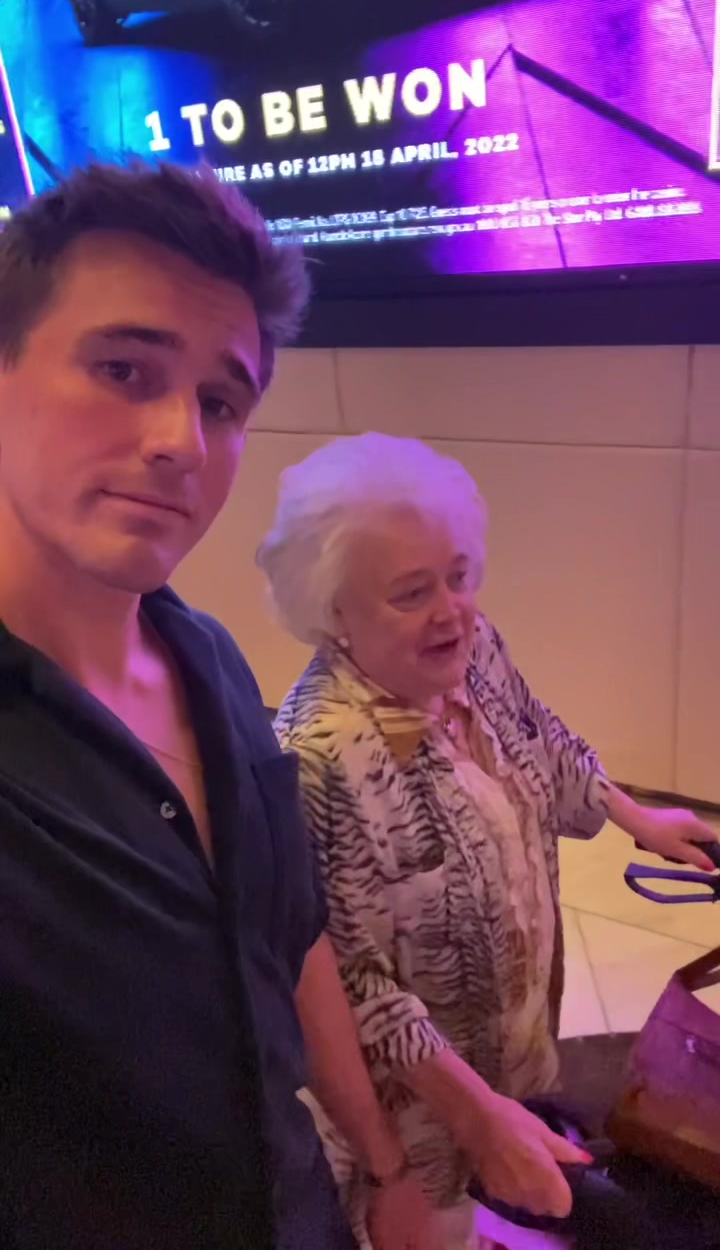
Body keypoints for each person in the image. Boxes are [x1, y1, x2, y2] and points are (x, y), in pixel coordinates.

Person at [0, 165, 440, 1250]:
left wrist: (387, 1168)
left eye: (220, 402)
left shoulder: (214, 664)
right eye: (123, 369)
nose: (181, 441)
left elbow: (286, 944)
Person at [258, 432, 718, 1250]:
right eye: (412, 593)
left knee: (522, 1179)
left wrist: (633, 815)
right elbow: (354, 991)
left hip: (507, 1034)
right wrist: (449, 1134)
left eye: (460, 574)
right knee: (429, 1227)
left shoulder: (472, 648)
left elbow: (541, 735)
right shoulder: (320, 759)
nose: (453, 610)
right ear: (334, 612)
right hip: (417, 1108)